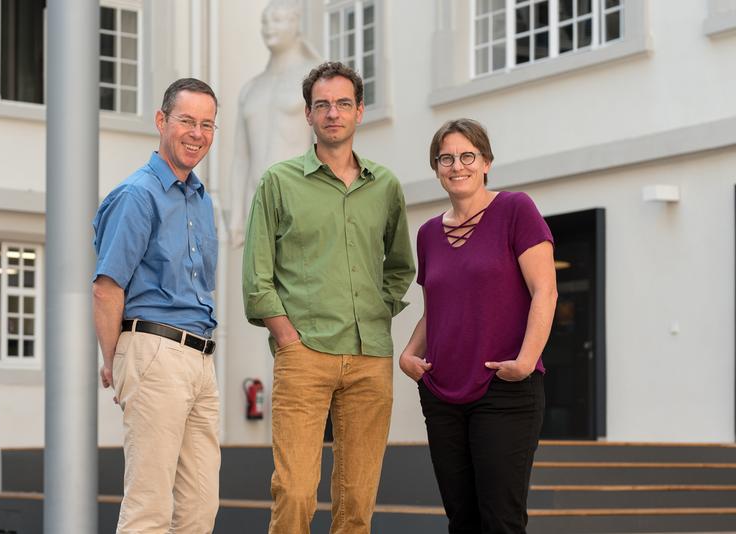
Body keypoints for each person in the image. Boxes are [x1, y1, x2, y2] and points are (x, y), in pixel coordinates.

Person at [242, 61, 416, 534]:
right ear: (308, 115)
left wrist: (380, 311)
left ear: (360, 111)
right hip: (304, 354)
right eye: (323, 105)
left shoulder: (385, 187)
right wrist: (286, 335)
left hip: (369, 358)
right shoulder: (278, 182)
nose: (333, 113)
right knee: (296, 492)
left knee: (357, 499)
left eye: (343, 104)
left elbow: (401, 265)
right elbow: (257, 275)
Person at [399, 119, 557, 533]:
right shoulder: (429, 233)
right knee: (462, 520)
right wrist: (409, 353)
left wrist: (525, 362)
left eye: (467, 156)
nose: (457, 166)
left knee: (500, 521)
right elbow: (438, 308)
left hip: (504, 389)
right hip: (442, 392)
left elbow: (546, 292)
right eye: (446, 158)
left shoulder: (515, 210)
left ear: (486, 161)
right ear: (436, 168)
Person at [92, 78, 221, 534]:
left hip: (201, 358)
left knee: (199, 508)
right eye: (187, 120)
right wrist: (115, 359)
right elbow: (107, 287)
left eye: (207, 124)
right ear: (161, 121)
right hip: (154, 351)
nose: (197, 133)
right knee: (149, 507)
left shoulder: (201, 200)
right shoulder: (137, 195)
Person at [228, 0, 320, 246]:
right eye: (265, 21)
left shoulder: (315, 77)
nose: (269, 27)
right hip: (256, 202)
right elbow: (241, 157)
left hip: (301, 198)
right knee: (258, 282)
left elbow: (328, 144)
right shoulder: (251, 89)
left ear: (295, 23)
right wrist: (236, 215)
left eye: (277, 20)